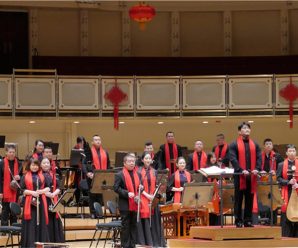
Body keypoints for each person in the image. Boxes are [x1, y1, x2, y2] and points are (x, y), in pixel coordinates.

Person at [229, 122, 261, 228]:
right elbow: (233, 158)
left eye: (248, 128)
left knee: (249, 198)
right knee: (238, 199)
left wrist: (257, 169)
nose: (247, 130)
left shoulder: (255, 144)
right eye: (244, 128)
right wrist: (241, 170)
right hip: (239, 175)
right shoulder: (234, 144)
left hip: (251, 176)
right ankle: (238, 220)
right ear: (239, 131)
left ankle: (248, 220)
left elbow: (259, 158)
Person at [137, 152, 165, 247]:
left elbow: (158, 185)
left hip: (153, 199)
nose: (148, 160)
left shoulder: (154, 171)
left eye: (149, 158)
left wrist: (154, 195)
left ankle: (155, 242)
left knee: (154, 220)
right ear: (142, 160)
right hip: (143, 198)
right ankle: (145, 243)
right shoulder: (138, 171)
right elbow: (138, 186)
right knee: (145, 220)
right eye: (146, 158)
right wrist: (147, 195)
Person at [21, 158, 50, 247]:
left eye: (36, 165)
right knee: (31, 223)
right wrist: (32, 193)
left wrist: (41, 191)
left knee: (41, 223)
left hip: (40, 202)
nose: (35, 167)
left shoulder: (43, 176)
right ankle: (30, 245)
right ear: (29, 166)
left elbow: (48, 188)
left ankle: (40, 244)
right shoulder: (24, 176)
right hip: (29, 203)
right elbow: (22, 190)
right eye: (33, 165)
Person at [114, 153, 140, 248]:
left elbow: (138, 188)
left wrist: (141, 189)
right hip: (125, 204)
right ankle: (125, 246)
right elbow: (116, 188)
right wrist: (127, 193)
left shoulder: (138, 174)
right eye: (129, 161)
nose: (132, 163)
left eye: (133, 161)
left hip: (135, 204)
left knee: (133, 226)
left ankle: (132, 245)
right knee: (125, 227)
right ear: (124, 163)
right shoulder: (119, 175)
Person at [83, 135, 111, 217]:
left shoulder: (105, 152)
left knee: (100, 194)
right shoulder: (88, 152)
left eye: (99, 139)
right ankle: (92, 213)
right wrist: (87, 173)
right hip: (92, 176)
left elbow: (108, 165)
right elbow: (84, 164)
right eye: (95, 140)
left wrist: (108, 175)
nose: (98, 141)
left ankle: (99, 213)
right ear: (92, 142)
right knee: (92, 195)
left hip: (102, 176)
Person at [258, 138, 283, 225]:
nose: (268, 145)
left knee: (273, 200)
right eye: (267, 144)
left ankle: (273, 221)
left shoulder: (277, 156)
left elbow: (282, 168)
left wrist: (275, 172)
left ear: (272, 146)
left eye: (270, 144)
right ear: (264, 146)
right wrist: (260, 172)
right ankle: (263, 220)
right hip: (263, 182)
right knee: (263, 201)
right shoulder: (260, 156)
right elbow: (256, 168)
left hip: (273, 182)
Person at [41, 157, 64, 243]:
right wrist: (47, 194)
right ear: (40, 165)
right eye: (44, 163)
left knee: (54, 219)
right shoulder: (39, 175)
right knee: (47, 220)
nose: (46, 165)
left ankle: (55, 241)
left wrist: (53, 194)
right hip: (44, 200)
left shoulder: (53, 174)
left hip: (53, 199)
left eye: (47, 163)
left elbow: (58, 187)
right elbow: (39, 188)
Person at [277, 144, 298, 237]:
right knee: (285, 215)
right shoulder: (281, 165)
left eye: (293, 151)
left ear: (296, 152)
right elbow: (278, 179)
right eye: (290, 151)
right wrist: (288, 182)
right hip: (286, 191)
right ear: (286, 153)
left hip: (297, 191)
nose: (292, 153)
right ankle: (286, 235)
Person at [0, 144, 22, 226]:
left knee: (14, 209)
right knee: (5, 210)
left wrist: (20, 177)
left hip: (15, 190)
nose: (12, 153)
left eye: (13, 152)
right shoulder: (1, 163)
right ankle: (4, 228)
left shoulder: (19, 163)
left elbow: (23, 178)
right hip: (5, 191)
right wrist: (0, 192)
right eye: (10, 152)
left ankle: (14, 227)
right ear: (6, 153)